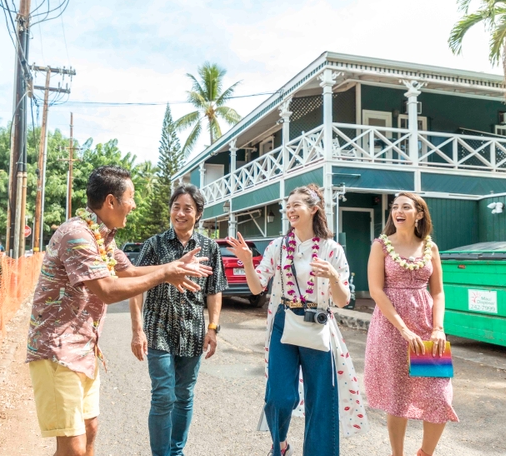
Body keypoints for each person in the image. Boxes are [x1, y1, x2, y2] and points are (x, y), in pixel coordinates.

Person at [25, 166, 213, 456]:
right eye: (131, 197)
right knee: (72, 447)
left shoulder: (103, 237)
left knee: (89, 433)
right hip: (56, 351)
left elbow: (130, 271)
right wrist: (165, 274)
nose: (134, 205)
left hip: (84, 349)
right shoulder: (77, 235)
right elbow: (108, 290)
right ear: (111, 201)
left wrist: (173, 268)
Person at [227, 184, 368, 456]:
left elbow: (341, 300)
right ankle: (279, 444)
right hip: (284, 319)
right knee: (280, 396)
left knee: (321, 399)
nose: (289, 210)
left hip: (318, 322)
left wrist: (334, 278)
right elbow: (257, 288)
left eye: (296, 205)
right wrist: (246, 262)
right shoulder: (277, 247)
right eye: (287, 206)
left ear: (314, 209)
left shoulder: (331, 249)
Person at [129, 185, 227, 456]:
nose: (180, 213)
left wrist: (213, 328)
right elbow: (136, 285)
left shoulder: (209, 247)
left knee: (183, 396)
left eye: (187, 209)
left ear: (198, 214)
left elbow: (214, 289)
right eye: (176, 207)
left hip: (193, 331)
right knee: (163, 395)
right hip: (157, 328)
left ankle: (176, 451)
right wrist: (137, 329)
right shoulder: (155, 244)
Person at [364, 192, 458, 456]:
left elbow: (438, 292)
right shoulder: (380, 245)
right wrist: (403, 329)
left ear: (419, 214)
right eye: (395, 207)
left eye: (406, 207)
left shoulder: (431, 247)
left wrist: (437, 328)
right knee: (398, 395)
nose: (398, 211)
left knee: (440, 393)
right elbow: (376, 291)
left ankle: (425, 453)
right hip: (391, 327)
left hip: (427, 326)